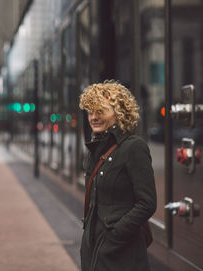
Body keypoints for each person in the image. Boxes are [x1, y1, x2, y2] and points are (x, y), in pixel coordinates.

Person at [79, 80, 157, 271]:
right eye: (90, 111)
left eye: (100, 110)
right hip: (92, 248)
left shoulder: (134, 147)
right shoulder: (95, 149)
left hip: (121, 252)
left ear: (119, 112)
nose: (94, 117)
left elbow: (147, 203)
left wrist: (115, 236)